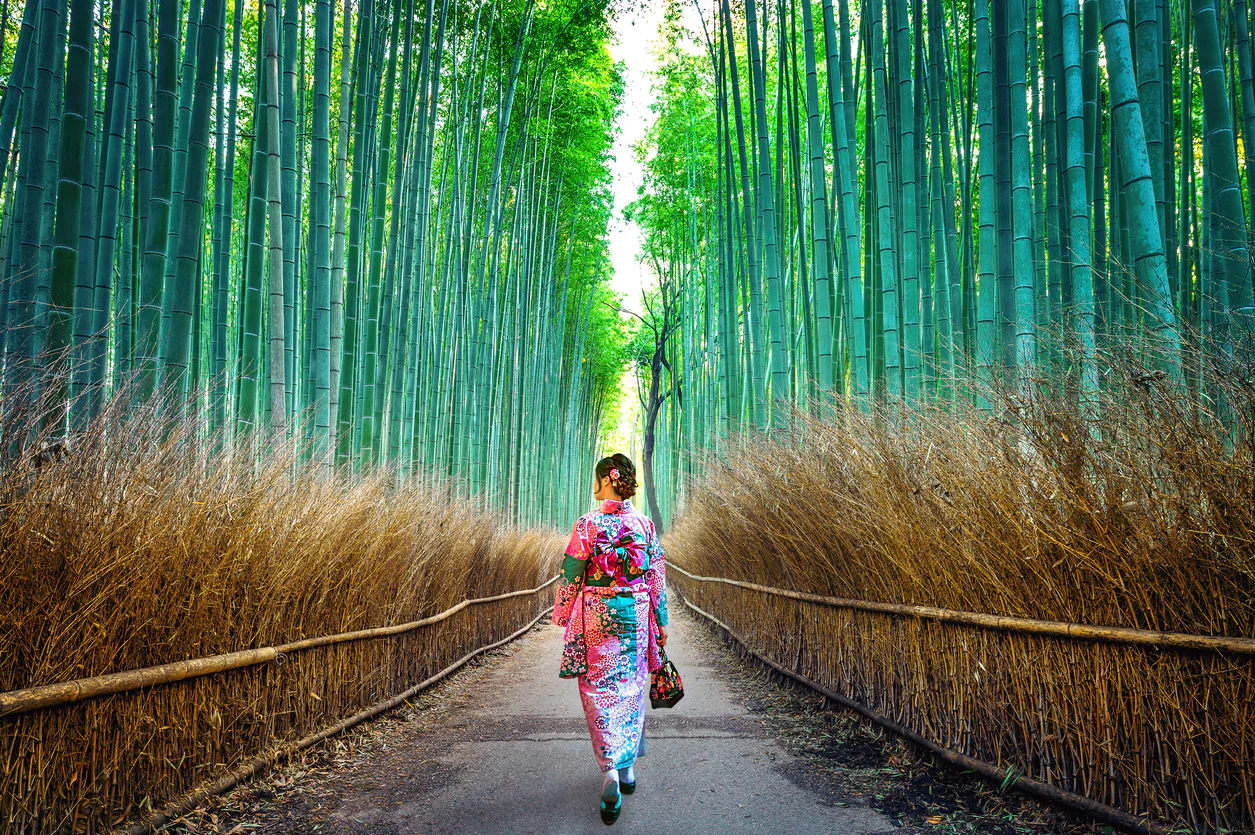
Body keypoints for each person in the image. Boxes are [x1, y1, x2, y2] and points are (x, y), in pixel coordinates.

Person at [553, 453, 668, 825]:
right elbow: (655, 575)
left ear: (606, 480)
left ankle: (611, 772)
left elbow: (572, 571)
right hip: (633, 612)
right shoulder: (645, 525)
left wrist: (562, 610)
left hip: (596, 614)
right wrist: (661, 618)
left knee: (597, 691)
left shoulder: (587, 524)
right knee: (632, 689)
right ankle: (628, 769)